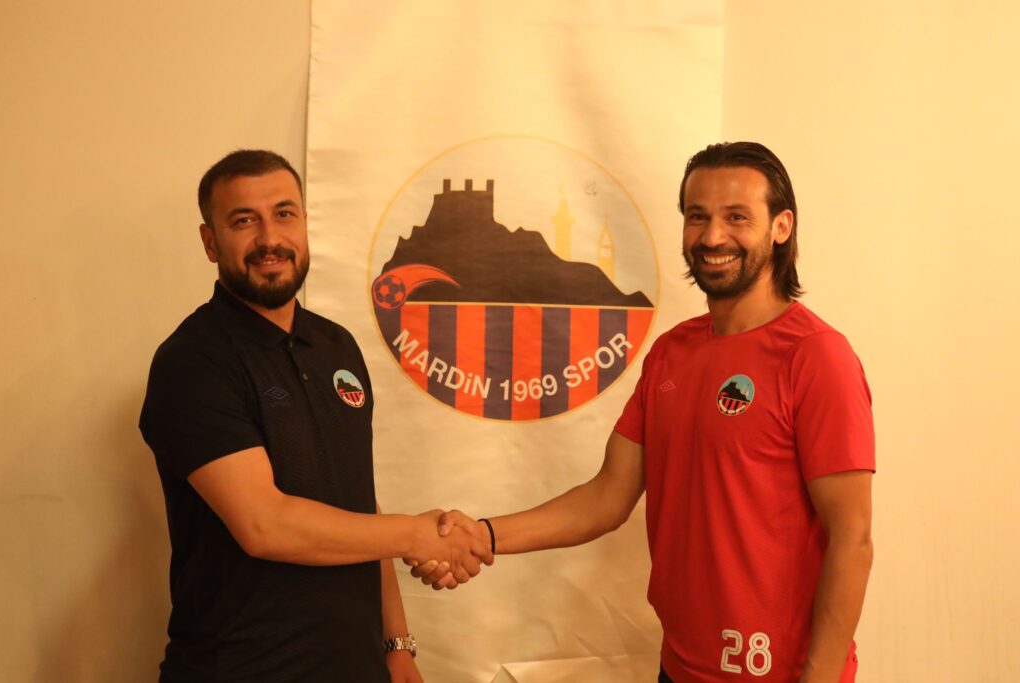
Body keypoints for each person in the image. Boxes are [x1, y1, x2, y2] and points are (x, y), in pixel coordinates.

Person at [419, 142, 875, 683]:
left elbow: (852, 539)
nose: (712, 237)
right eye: (697, 216)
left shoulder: (817, 356)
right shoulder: (671, 353)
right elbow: (606, 497)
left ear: (781, 227)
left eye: (736, 217)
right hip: (678, 669)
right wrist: (482, 534)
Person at [140, 149, 492, 683]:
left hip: (356, 667)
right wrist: (417, 535)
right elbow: (265, 525)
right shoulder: (192, 361)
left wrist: (396, 645)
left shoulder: (336, 345)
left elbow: (359, 500)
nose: (269, 239)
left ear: (304, 223)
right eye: (244, 221)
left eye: (284, 214)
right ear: (210, 242)